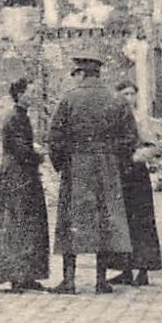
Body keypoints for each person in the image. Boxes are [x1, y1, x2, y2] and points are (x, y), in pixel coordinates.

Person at [45, 56, 135, 294]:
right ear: (98, 73)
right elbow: (129, 138)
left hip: (76, 167)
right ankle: (101, 281)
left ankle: (69, 281)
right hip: (107, 166)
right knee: (104, 222)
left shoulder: (69, 99)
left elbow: (54, 138)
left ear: (81, 73)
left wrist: (62, 164)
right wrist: (120, 165)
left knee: (70, 223)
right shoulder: (117, 100)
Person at [0, 78, 49, 293]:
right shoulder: (15, 117)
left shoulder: (21, 116)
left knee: (28, 222)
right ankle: (16, 275)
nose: (34, 95)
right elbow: (21, 150)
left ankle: (27, 275)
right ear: (20, 94)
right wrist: (38, 155)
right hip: (16, 175)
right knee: (17, 222)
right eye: (30, 91)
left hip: (23, 174)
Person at [106, 81, 162, 287]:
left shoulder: (141, 118)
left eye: (132, 94)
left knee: (142, 221)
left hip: (137, 174)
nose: (129, 98)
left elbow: (154, 146)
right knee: (123, 221)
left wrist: (136, 156)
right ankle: (125, 270)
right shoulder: (114, 118)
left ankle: (143, 271)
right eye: (125, 94)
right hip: (120, 173)